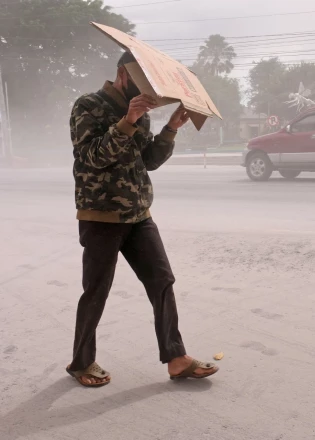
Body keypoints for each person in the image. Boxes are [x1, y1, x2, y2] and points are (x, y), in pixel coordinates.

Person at [65, 52, 218, 387]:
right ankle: (81, 362)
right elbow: (91, 158)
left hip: (138, 214)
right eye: (142, 80)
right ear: (124, 73)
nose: (150, 90)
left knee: (161, 281)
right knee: (96, 290)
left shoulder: (143, 113)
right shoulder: (88, 105)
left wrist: (170, 129)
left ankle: (176, 358)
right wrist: (127, 120)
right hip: (101, 216)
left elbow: (147, 161)